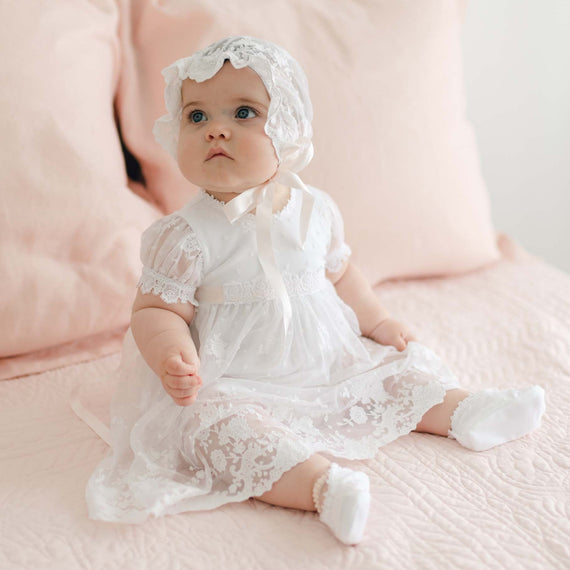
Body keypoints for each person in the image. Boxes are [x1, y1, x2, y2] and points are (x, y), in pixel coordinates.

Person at [86, 36, 546, 545]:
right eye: (196, 117)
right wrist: (171, 353)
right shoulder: (185, 235)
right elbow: (155, 309)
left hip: (327, 359)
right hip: (234, 377)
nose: (216, 128)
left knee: (394, 373)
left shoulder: (314, 208)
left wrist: (376, 321)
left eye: (244, 112)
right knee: (215, 429)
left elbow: (341, 274)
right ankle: (324, 487)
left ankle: (467, 410)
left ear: (288, 126)